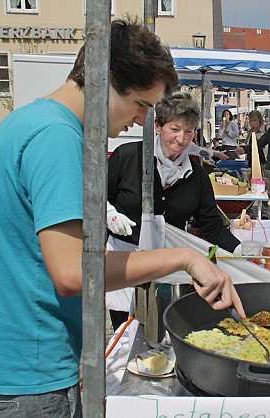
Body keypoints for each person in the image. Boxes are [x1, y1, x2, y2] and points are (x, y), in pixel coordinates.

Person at [0, 17, 244, 417]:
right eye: (140, 104)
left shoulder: (25, 122)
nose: (140, 121)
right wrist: (185, 258)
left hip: (8, 363)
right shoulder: (57, 136)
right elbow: (73, 274)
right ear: (105, 78)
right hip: (28, 372)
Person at [106, 92, 241, 330]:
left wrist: (241, 251)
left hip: (168, 268)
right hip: (125, 263)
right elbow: (96, 199)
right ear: (157, 126)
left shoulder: (197, 176)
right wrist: (109, 214)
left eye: (188, 132)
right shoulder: (127, 157)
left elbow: (212, 225)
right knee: (126, 333)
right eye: (175, 129)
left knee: (165, 329)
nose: (181, 139)